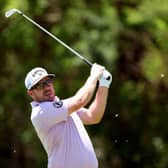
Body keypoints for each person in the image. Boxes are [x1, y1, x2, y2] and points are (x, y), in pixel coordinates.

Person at [25, 63, 112, 168]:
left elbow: (93, 116)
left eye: (48, 81)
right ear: (31, 93)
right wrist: (93, 76)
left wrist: (104, 84)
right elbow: (80, 100)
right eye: (39, 85)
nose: (46, 87)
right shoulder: (40, 113)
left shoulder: (64, 107)